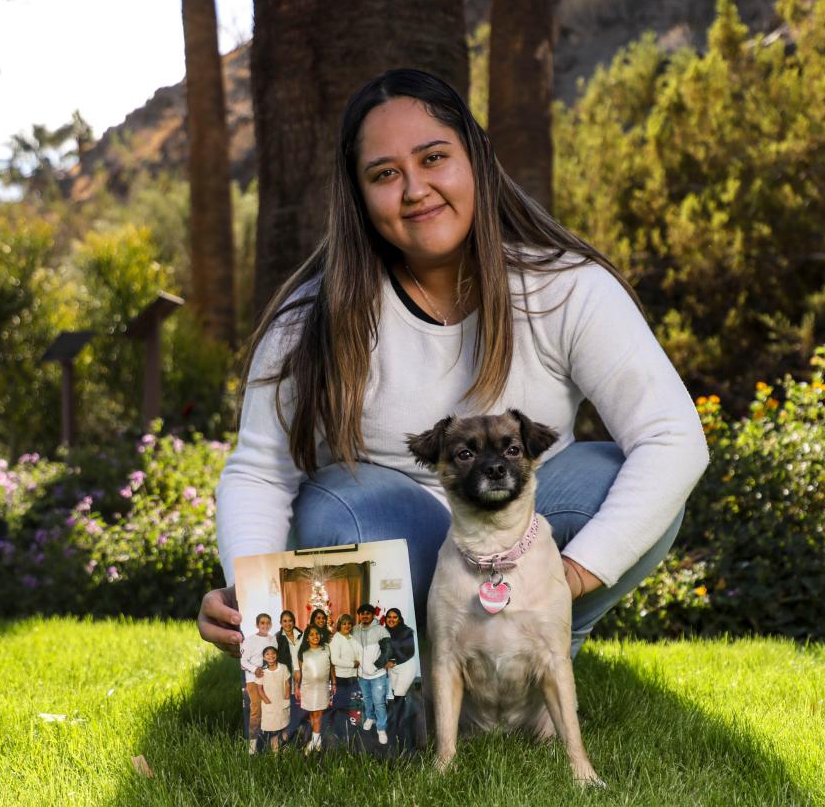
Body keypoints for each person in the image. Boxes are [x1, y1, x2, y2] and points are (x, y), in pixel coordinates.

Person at [198, 68, 709, 662]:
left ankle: (536, 649)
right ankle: (398, 673)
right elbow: (260, 471)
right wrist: (249, 592)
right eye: (385, 174)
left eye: (433, 157)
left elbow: (673, 438)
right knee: (341, 510)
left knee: (607, 476)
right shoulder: (309, 320)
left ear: (478, 158)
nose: (415, 189)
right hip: (397, 541)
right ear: (359, 195)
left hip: (521, 541)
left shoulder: (567, 288)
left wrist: (565, 579)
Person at [354, 603, 392, 744]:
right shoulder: (354, 630)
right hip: (362, 675)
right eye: (362, 613)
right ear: (359, 615)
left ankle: (381, 729)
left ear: (372, 615)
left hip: (377, 675)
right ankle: (370, 718)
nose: (365, 615)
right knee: (367, 700)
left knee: (379, 703)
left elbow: (388, 651)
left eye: (367, 613)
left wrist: (376, 666)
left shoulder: (381, 630)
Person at [238, 612, 275, 754]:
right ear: (257, 625)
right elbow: (242, 661)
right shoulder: (250, 640)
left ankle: (271, 741)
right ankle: (252, 744)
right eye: (262, 623)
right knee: (256, 710)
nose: (265, 625)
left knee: (270, 708)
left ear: (270, 625)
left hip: (269, 679)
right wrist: (255, 669)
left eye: (267, 623)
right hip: (253, 679)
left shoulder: (272, 639)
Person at [297, 624, 333, 753]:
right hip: (308, 687)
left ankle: (315, 741)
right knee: (312, 713)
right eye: (311, 634)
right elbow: (300, 672)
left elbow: (332, 667)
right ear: (307, 638)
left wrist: (333, 683)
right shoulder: (303, 653)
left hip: (322, 687)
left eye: (317, 634)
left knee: (318, 713)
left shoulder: (326, 648)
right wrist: (297, 687)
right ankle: (317, 740)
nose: (315, 636)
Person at [256, 645, 291, 753]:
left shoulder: (283, 668)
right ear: (263, 657)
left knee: (284, 727)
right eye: (267, 654)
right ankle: (275, 754)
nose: (271, 656)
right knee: (273, 731)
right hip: (270, 704)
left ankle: (285, 751)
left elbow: (287, 684)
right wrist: (267, 701)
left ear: (277, 655)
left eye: (273, 653)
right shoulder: (262, 672)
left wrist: (286, 697)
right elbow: (259, 689)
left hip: (282, 702)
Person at [382, 608, 416, 703]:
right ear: (386, 618)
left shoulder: (406, 632)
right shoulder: (384, 631)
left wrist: (394, 661)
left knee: (399, 695)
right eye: (389, 617)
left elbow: (410, 651)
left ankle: (401, 716)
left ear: (399, 619)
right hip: (393, 668)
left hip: (406, 667)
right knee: (394, 692)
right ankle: (400, 713)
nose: (391, 619)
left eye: (395, 617)